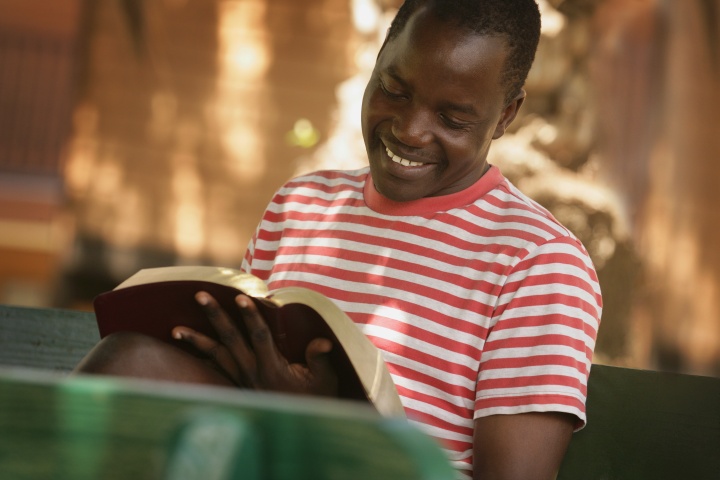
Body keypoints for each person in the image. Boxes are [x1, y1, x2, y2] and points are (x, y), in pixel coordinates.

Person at [76, 1, 602, 478]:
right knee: (131, 363)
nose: (411, 129)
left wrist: (325, 425)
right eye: (395, 89)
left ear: (506, 114)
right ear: (377, 61)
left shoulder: (538, 262)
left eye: (452, 117)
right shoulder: (301, 205)